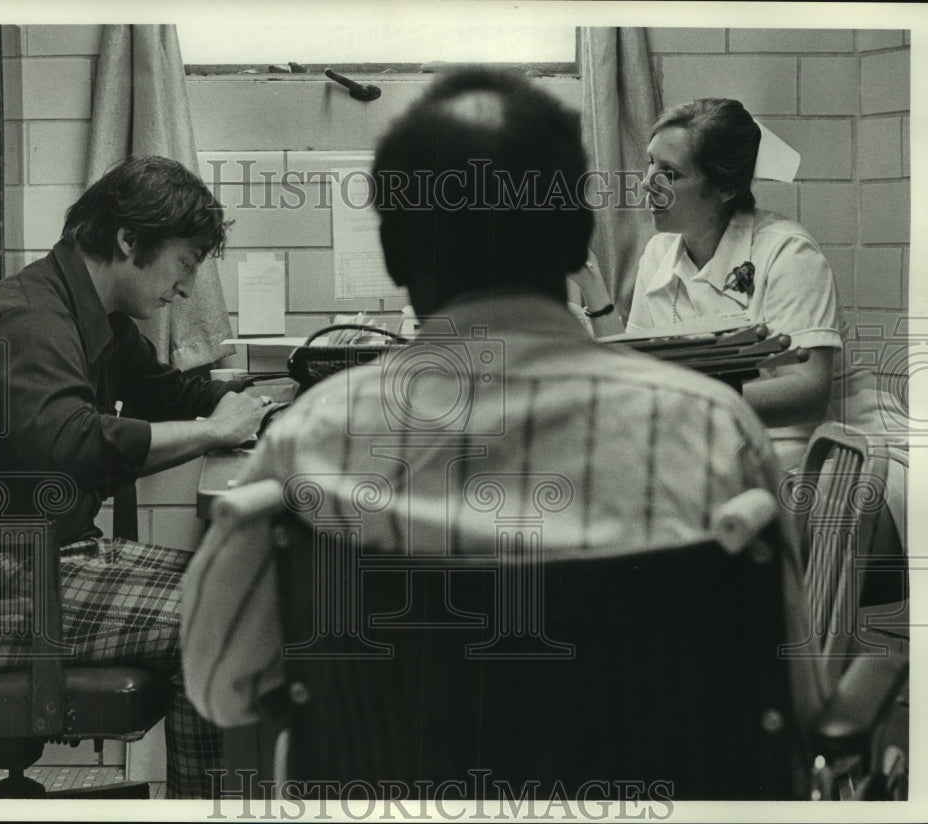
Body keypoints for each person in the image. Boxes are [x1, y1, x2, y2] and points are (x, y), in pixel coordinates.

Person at [181, 68, 806, 729]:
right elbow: (783, 690)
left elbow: (222, 687)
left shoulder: (310, 439)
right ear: (575, 241)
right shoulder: (716, 431)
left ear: (396, 255)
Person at [0, 155, 271, 798]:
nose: (186, 288)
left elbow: (168, 393)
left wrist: (274, 401)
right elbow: (68, 446)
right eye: (185, 262)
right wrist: (214, 432)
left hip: (45, 557)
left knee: (246, 590)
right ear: (130, 240)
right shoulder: (28, 315)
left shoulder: (92, 318)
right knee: (226, 624)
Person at [608, 98, 906, 547]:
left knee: (723, 537)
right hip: (742, 451)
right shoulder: (659, 255)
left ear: (725, 188)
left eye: (669, 173)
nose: (647, 184)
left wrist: (696, 400)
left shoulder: (786, 251)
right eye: (650, 165)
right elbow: (640, 372)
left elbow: (807, 392)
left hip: (840, 452)